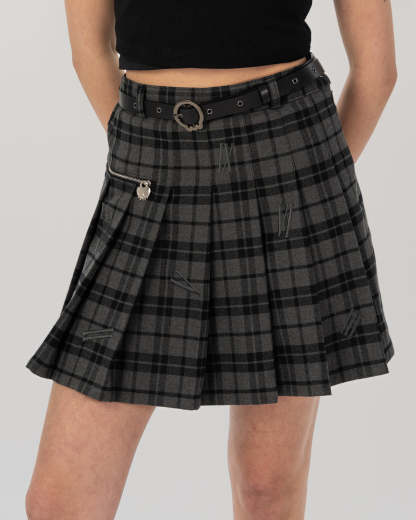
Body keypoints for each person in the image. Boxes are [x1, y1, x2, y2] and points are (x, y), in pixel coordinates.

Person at [24, 1, 397, 519]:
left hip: (286, 150)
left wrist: (307, 187)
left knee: (267, 489)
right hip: (151, 162)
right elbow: (89, 50)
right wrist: (143, 152)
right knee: (57, 504)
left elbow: (377, 71)